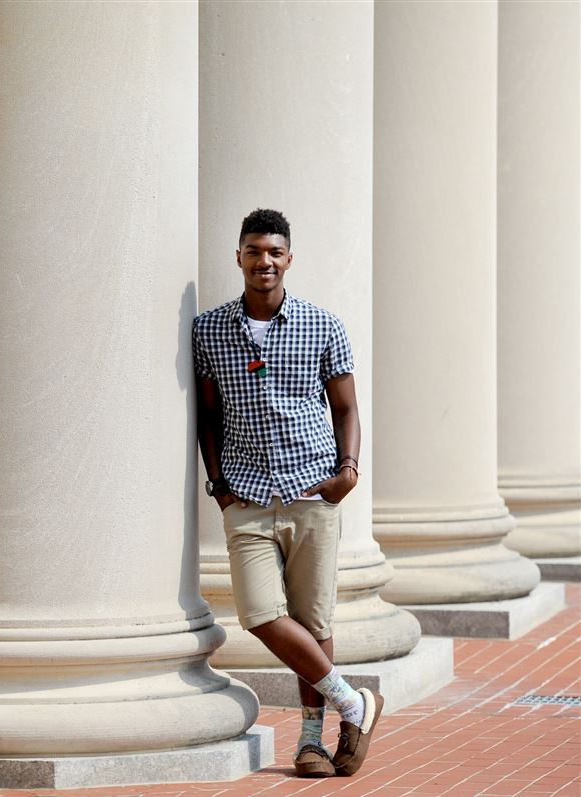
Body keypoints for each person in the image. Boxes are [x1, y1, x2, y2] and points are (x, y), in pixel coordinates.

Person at [192, 208, 383, 778]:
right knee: (259, 614)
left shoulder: (324, 325)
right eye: (254, 251)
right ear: (239, 257)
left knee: (313, 617)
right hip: (246, 494)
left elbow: (345, 406)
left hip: (311, 490)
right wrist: (220, 485)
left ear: (289, 258)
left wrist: (348, 468)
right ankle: (354, 702)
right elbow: (208, 416)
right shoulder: (208, 330)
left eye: (274, 252)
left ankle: (311, 741)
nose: (264, 261)